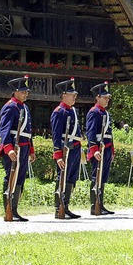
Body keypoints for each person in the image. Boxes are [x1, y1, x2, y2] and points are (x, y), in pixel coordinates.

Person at [0, 75, 36, 222]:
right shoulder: (10, 107)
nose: (26, 94)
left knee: (20, 178)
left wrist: (31, 150)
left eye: (27, 91)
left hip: (24, 146)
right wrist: (8, 148)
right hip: (14, 146)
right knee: (11, 177)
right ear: (15, 91)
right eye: (23, 91)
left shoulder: (24, 107)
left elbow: (28, 131)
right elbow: (5, 130)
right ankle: (8, 209)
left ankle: (14, 209)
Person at [51, 78, 82, 219]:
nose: (74, 96)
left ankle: (66, 206)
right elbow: (56, 135)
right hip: (65, 149)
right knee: (62, 177)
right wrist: (58, 154)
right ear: (63, 95)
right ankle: (59, 208)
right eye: (71, 94)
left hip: (75, 148)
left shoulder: (73, 111)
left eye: (75, 94)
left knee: (71, 177)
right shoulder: (59, 111)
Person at [86, 81, 114, 215]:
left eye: (108, 97)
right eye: (105, 97)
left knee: (103, 177)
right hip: (98, 149)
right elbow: (90, 132)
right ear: (97, 97)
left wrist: (112, 151)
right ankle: (94, 205)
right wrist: (94, 149)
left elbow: (109, 134)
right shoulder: (94, 112)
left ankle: (100, 204)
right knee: (96, 176)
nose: (107, 99)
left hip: (106, 148)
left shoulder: (105, 113)